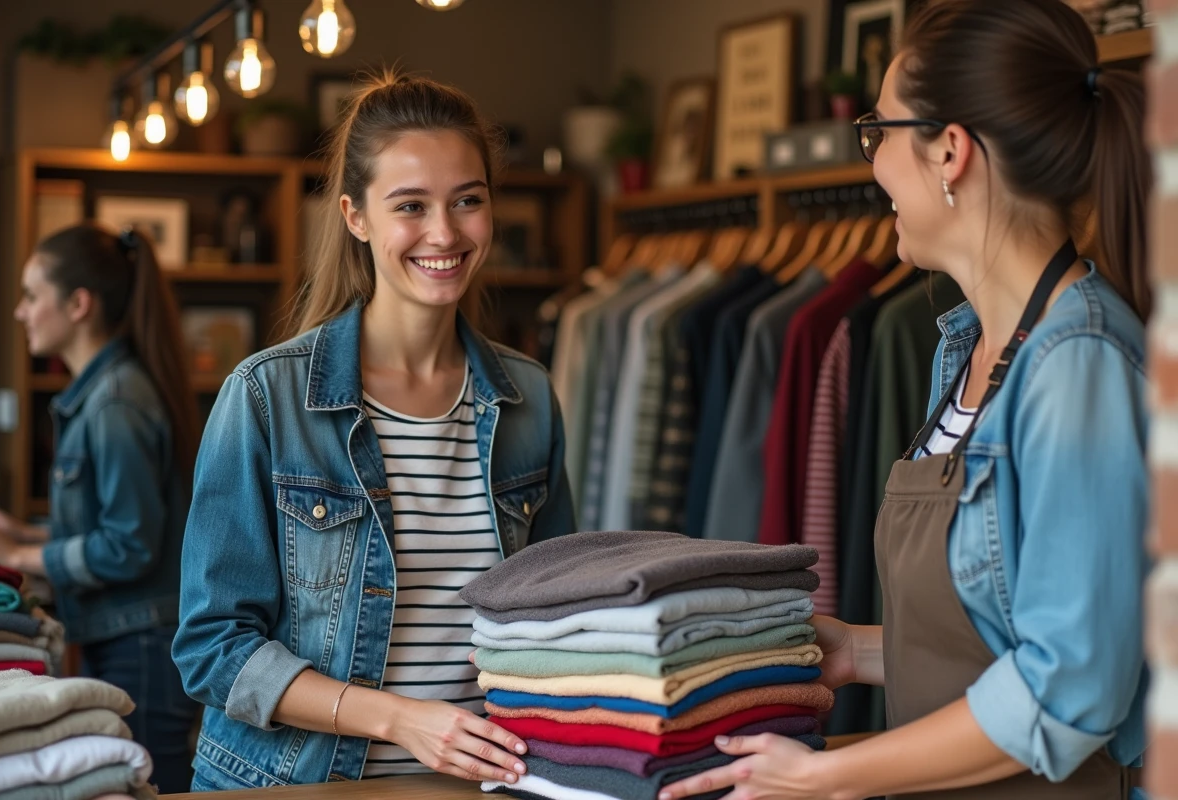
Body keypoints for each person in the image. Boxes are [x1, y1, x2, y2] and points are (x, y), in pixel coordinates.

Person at [660, 1, 1150, 798]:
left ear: (950, 149)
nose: (873, 163)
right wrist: (860, 649)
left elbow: (1071, 688)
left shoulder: (1079, 364)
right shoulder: (967, 348)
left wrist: (833, 775)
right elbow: (1001, 633)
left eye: (876, 132)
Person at [172, 71, 576, 791]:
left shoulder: (530, 400)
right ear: (356, 216)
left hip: (479, 787)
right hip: (295, 784)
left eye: (468, 202)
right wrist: (398, 719)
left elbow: (559, 625)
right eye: (410, 206)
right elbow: (212, 650)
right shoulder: (266, 397)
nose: (444, 233)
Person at [0, 223, 201, 793]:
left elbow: (129, 546)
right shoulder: (108, 394)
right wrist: (28, 532)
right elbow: (112, 523)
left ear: (78, 304)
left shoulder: (115, 405)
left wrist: (22, 552)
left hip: (143, 646)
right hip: (127, 638)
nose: (20, 313)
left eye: (32, 296)